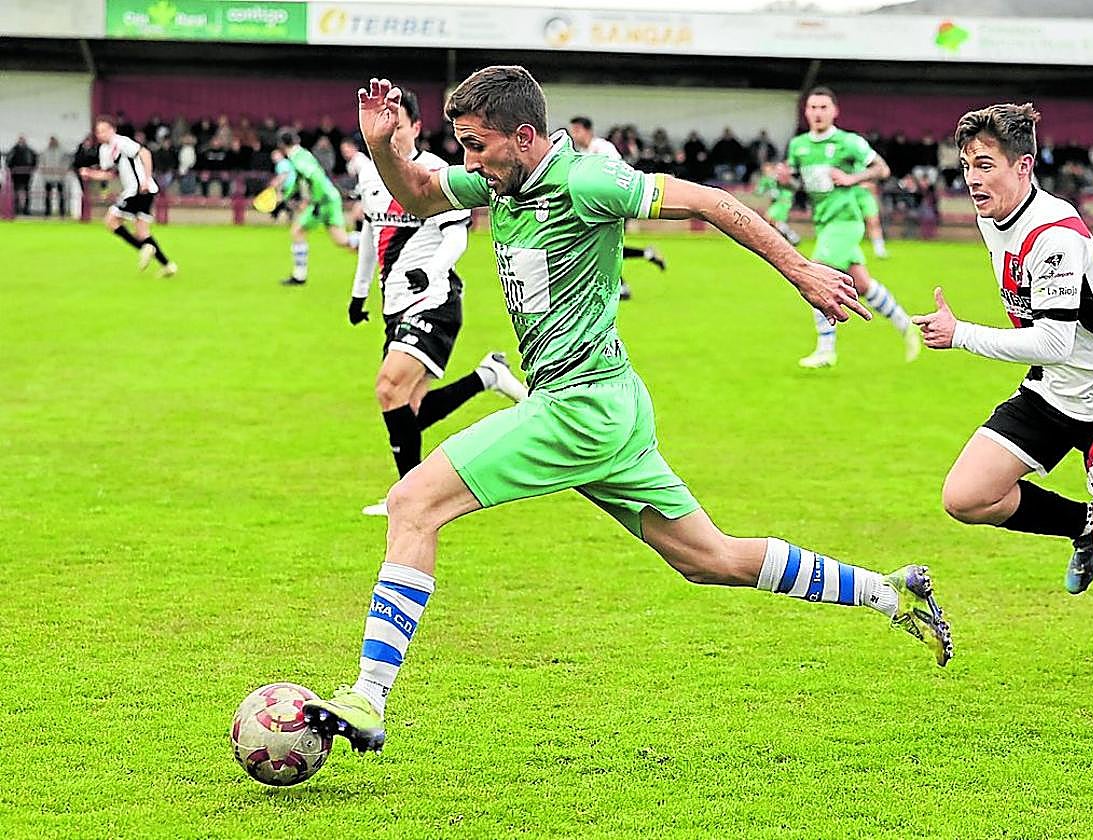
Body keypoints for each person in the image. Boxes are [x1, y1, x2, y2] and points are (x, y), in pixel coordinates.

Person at [300, 68, 953, 754]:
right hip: (606, 405)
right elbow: (418, 192)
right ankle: (889, 592)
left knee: (412, 503)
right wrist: (382, 147)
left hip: (580, 407)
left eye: (476, 146)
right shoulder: (500, 179)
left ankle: (367, 697)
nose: (468, 162)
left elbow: (709, 200)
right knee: (711, 558)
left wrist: (801, 270)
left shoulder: (587, 180)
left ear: (522, 137)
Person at [913, 102, 1093, 679]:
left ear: (1024, 166)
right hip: (1053, 393)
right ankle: (1081, 524)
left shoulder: (1055, 234)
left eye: (985, 165)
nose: (972, 178)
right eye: (966, 165)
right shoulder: (992, 218)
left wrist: (960, 334)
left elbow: (1054, 341)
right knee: (966, 497)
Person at [339, 94, 527, 516]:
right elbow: (370, 236)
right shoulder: (371, 176)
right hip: (394, 303)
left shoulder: (435, 173)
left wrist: (431, 271)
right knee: (410, 410)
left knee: (388, 387)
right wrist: (359, 292)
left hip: (434, 300)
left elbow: (457, 235)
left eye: (398, 124)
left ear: (416, 127)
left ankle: (407, 499)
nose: (391, 133)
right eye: (384, 125)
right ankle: (487, 376)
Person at [782, 87, 921, 368]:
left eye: (824, 107)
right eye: (813, 107)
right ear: (806, 111)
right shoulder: (798, 146)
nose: (818, 113)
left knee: (816, 273)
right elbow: (801, 184)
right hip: (824, 222)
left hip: (846, 221)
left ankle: (826, 349)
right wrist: (786, 180)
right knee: (862, 284)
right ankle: (906, 325)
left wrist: (852, 178)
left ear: (835, 111)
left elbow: (882, 169)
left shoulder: (848, 142)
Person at [568, 116, 666, 300]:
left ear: (587, 131)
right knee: (602, 246)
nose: (573, 135)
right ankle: (644, 257)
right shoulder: (582, 152)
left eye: (576, 130)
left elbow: (619, 173)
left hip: (614, 204)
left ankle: (620, 285)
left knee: (602, 246)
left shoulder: (603, 148)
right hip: (599, 207)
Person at [78, 115, 176, 277]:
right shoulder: (104, 150)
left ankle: (144, 248)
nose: (100, 134)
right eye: (98, 131)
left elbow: (145, 153)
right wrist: (90, 173)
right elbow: (110, 174)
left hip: (138, 190)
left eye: (103, 130)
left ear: (113, 130)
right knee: (142, 232)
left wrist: (146, 178)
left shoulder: (122, 142)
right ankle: (167, 265)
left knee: (111, 221)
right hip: (142, 191)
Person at [275, 128, 356, 286]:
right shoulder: (301, 154)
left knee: (298, 231)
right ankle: (371, 245)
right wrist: (285, 200)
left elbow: (315, 177)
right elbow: (301, 180)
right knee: (341, 240)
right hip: (329, 198)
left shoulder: (297, 158)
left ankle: (299, 276)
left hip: (323, 201)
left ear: (281, 145)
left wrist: (317, 201)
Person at [754, 162, 800, 245]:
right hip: (776, 203)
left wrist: (784, 178)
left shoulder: (780, 177)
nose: (767, 172)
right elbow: (759, 190)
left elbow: (795, 185)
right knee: (774, 221)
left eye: (768, 170)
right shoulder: (766, 179)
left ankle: (792, 237)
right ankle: (791, 237)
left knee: (771, 218)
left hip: (783, 201)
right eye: (765, 170)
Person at [6, 135, 38, 216]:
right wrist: (11, 168)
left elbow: (34, 161)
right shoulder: (13, 150)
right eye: (20, 140)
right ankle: (16, 209)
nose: (21, 141)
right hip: (16, 175)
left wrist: (31, 168)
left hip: (26, 174)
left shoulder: (30, 151)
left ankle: (26, 209)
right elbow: (8, 161)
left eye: (23, 140)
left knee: (26, 191)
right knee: (15, 192)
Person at [40, 136, 70, 218]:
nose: (52, 142)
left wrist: (63, 171)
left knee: (61, 196)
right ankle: (47, 212)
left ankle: (62, 213)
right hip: (48, 177)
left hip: (59, 177)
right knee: (47, 196)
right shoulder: (45, 152)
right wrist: (44, 171)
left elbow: (66, 162)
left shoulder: (62, 151)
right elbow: (41, 162)